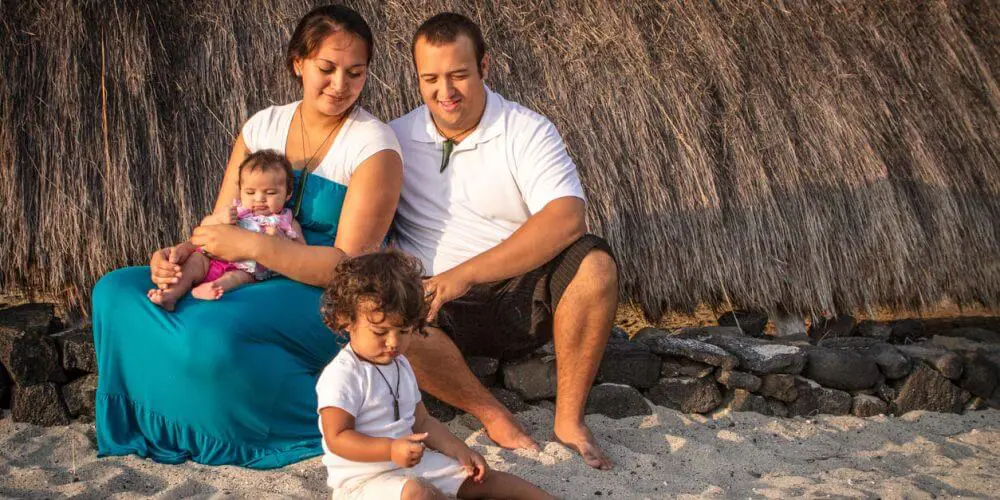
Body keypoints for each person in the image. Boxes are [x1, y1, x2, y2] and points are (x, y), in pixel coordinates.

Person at [91, 5, 403, 468]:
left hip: (318, 294)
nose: (340, 85)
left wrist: (255, 248)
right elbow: (221, 221)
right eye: (327, 69)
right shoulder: (263, 126)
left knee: (208, 331)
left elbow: (349, 270)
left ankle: (245, 426)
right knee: (114, 290)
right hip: (239, 268)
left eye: (355, 73)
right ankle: (152, 418)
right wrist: (180, 255)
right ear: (298, 62)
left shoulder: (373, 146)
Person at [390, 13, 620, 470]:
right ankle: (492, 414)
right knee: (386, 317)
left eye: (458, 75)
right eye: (430, 78)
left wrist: (465, 274)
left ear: (485, 68)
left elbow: (567, 217)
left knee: (595, 266)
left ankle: (569, 420)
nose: (445, 91)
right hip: (437, 303)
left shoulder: (526, 128)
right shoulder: (394, 138)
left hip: (521, 293)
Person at [316, 250, 553, 499]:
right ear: (346, 320)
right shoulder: (343, 375)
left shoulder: (401, 365)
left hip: (412, 464)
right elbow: (337, 437)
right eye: (380, 332)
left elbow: (423, 421)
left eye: (404, 331)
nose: (393, 342)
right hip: (363, 481)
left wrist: (459, 450)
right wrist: (390, 450)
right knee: (417, 493)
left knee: (482, 479)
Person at [146, 150, 305, 310]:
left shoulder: (286, 221)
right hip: (213, 258)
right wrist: (219, 219)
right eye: (250, 192)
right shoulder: (236, 210)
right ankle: (170, 295)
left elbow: (303, 253)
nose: (259, 199)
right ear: (241, 190)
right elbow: (204, 227)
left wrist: (282, 241)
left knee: (237, 277)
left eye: (270, 193)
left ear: (288, 194)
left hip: (248, 268)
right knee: (193, 263)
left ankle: (213, 287)